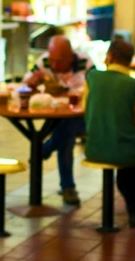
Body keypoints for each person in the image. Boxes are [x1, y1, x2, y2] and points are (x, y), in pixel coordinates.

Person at [80, 39, 135, 226]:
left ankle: (134, 210)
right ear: (130, 61)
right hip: (125, 150)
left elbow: (84, 109)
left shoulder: (92, 78)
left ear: (110, 56)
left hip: (94, 148)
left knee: (130, 165)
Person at [23, 35, 93, 205]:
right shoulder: (44, 62)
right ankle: (67, 187)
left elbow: (96, 90)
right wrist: (32, 83)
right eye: (51, 60)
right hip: (56, 116)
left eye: (59, 61)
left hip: (81, 117)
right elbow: (25, 84)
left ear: (71, 56)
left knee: (66, 130)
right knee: (65, 134)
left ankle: (42, 150)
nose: (53, 65)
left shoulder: (86, 63)